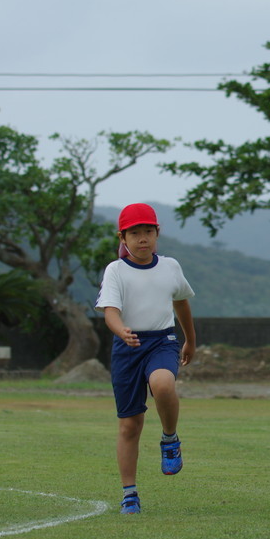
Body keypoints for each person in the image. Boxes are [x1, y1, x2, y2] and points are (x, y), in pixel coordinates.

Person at [95, 203, 196, 515]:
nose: (142, 238)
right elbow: (110, 310)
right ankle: (129, 493)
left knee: (163, 384)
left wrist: (190, 339)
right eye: (134, 233)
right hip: (127, 347)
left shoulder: (170, 267)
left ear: (157, 234)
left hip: (161, 340)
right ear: (122, 237)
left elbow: (181, 303)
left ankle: (170, 439)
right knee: (130, 425)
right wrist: (120, 330)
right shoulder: (116, 270)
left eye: (148, 232)